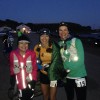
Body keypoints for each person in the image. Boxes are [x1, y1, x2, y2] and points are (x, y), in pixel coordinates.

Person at [58, 22, 87, 100]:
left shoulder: (77, 41)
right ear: (58, 32)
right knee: (69, 97)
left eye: (65, 30)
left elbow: (80, 61)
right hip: (67, 78)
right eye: (60, 30)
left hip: (79, 76)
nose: (63, 32)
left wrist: (65, 71)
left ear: (68, 31)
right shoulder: (59, 44)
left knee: (81, 97)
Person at [34, 28, 65, 100]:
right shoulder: (37, 47)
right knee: (45, 96)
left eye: (46, 36)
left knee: (52, 97)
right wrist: (39, 66)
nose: (44, 38)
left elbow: (60, 60)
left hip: (53, 75)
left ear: (49, 37)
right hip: (43, 74)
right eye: (42, 36)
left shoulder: (54, 46)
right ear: (39, 37)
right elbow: (34, 61)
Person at [9, 34, 38, 100]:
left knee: (29, 97)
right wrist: (12, 77)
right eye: (21, 43)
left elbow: (35, 68)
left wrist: (33, 80)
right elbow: (11, 65)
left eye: (26, 43)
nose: (24, 45)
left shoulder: (32, 53)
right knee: (20, 98)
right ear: (18, 44)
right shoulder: (12, 54)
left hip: (29, 82)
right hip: (19, 83)